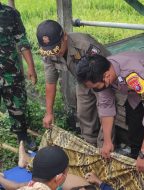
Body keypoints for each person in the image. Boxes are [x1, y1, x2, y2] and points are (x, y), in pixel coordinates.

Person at [76, 51, 144, 172]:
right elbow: (106, 106)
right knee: (134, 135)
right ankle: (138, 165)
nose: (95, 90)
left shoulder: (136, 74)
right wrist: (107, 142)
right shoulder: (101, 73)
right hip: (136, 94)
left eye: (95, 87)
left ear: (107, 76)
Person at [36, 20, 111, 147]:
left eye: (57, 49)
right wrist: (49, 113)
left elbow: (107, 69)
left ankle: (105, 147)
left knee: (105, 112)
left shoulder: (84, 45)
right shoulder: (49, 52)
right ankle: (89, 145)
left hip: (102, 79)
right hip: (83, 81)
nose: (55, 53)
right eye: (50, 51)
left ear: (64, 36)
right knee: (83, 113)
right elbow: (50, 82)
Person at [0, 2, 37, 150]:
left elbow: (22, 40)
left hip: (10, 72)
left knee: (18, 106)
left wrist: (31, 67)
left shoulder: (10, 13)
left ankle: (23, 138)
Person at [0, 143, 113, 190]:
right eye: (66, 172)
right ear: (59, 178)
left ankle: (25, 162)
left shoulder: (27, 187)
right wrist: (100, 183)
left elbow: (17, 186)